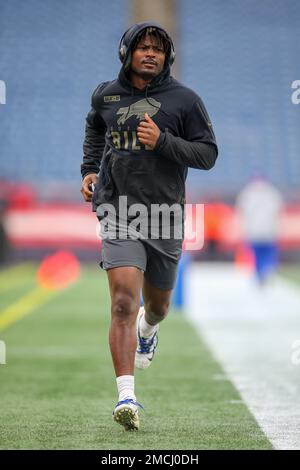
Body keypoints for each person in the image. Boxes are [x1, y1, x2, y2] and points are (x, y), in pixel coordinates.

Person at [80, 22, 218, 431]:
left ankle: (149, 329)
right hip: (118, 209)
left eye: (157, 48)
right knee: (123, 301)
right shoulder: (105, 94)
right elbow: (95, 128)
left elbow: (208, 154)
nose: (150, 53)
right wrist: (89, 170)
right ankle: (127, 396)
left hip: (163, 216)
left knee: (156, 306)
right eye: (142, 46)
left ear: (167, 56)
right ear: (127, 52)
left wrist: (162, 141)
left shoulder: (185, 100)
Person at [236, 176, 283, 285]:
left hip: (255, 231)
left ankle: (260, 273)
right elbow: (278, 211)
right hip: (268, 230)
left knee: (257, 255)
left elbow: (242, 212)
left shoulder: (247, 193)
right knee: (266, 254)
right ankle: (265, 272)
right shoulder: (272, 192)